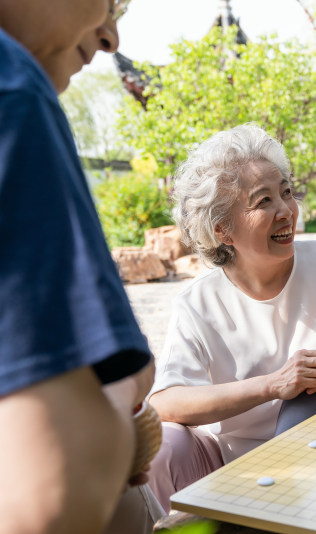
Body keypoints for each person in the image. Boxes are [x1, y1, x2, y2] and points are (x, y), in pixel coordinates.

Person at [0, 1, 163, 533]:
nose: (111, 36)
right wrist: (122, 403)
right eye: (111, 1)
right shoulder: (14, 87)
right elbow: (51, 497)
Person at [147, 124, 316, 511]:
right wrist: (272, 385)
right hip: (234, 467)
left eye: (286, 191)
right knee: (164, 444)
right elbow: (166, 402)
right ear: (222, 231)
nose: (287, 211)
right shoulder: (199, 304)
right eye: (264, 201)